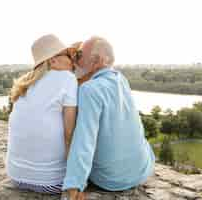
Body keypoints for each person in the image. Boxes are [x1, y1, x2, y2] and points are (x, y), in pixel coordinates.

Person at [61, 36, 156, 200]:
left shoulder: (89, 89)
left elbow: (85, 141)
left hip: (111, 180)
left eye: (79, 55)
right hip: (142, 171)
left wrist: (74, 185)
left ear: (96, 61)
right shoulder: (121, 79)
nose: (75, 61)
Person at [6, 34, 78, 194]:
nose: (73, 61)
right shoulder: (67, 79)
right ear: (53, 60)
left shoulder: (25, 82)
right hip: (51, 182)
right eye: (69, 55)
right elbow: (69, 134)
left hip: (16, 177)